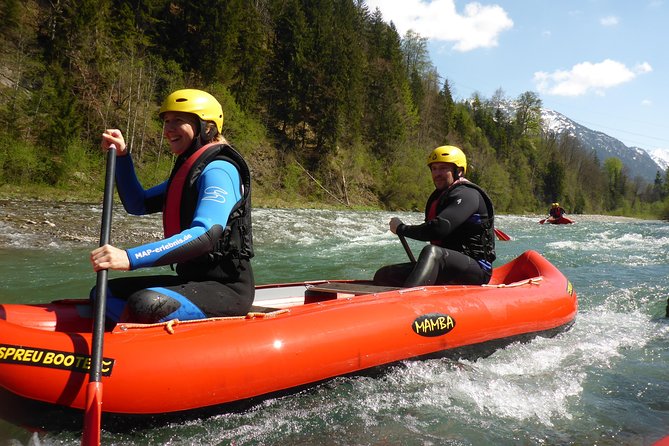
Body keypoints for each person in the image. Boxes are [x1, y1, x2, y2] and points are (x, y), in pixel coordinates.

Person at [90, 89, 255, 324]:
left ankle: (139, 342)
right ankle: (124, 338)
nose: (168, 129)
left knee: (145, 303)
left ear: (207, 128)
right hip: (190, 280)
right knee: (103, 292)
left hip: (226, 288)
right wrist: (123, 156)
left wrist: (130, 258)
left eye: (179, 120)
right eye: (167, 121)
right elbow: (138, 203)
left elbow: (206, 234)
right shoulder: (190, 172)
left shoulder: (220, 170)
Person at [373, 145, 496, 287]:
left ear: (459, 171)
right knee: (384, 275)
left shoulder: (468, 194)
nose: (437, 173)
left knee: (432, 253)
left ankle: (409, 303)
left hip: (476, 269)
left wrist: (401, 228)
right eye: (434, 168)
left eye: (443, 168)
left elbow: (439, 229)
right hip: (445, 265)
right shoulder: (440, 197)